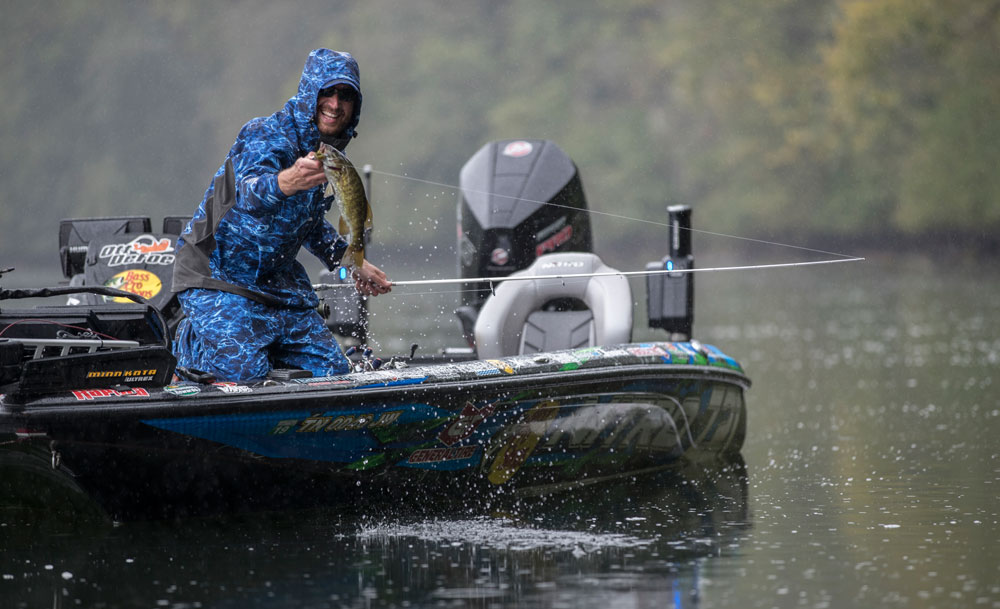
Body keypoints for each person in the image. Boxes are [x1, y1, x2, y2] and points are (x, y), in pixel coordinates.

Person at [171, 48, 391, 382]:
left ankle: (257, 345)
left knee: (333, 375)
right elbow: (245, 194)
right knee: (246, 376)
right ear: (309, 94)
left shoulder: (325, 152)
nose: (335, 103)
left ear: (355, 107)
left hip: (278, 286)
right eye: (327, 92)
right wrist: (287, 181)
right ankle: (190, 339)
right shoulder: (264, 134)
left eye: (345, 95)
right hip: (216, 279)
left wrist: (350, 260)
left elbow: (310, 224)